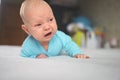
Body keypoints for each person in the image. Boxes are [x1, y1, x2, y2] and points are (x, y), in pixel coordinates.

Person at [19, 0, 89, 59]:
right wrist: (35, 56)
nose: (47, 27)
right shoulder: (28, 45)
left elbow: (69, 44)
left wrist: (76, 53)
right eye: (39, 24)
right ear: (27, 30)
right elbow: (24, 56)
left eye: (50, 19)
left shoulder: (59, 36)